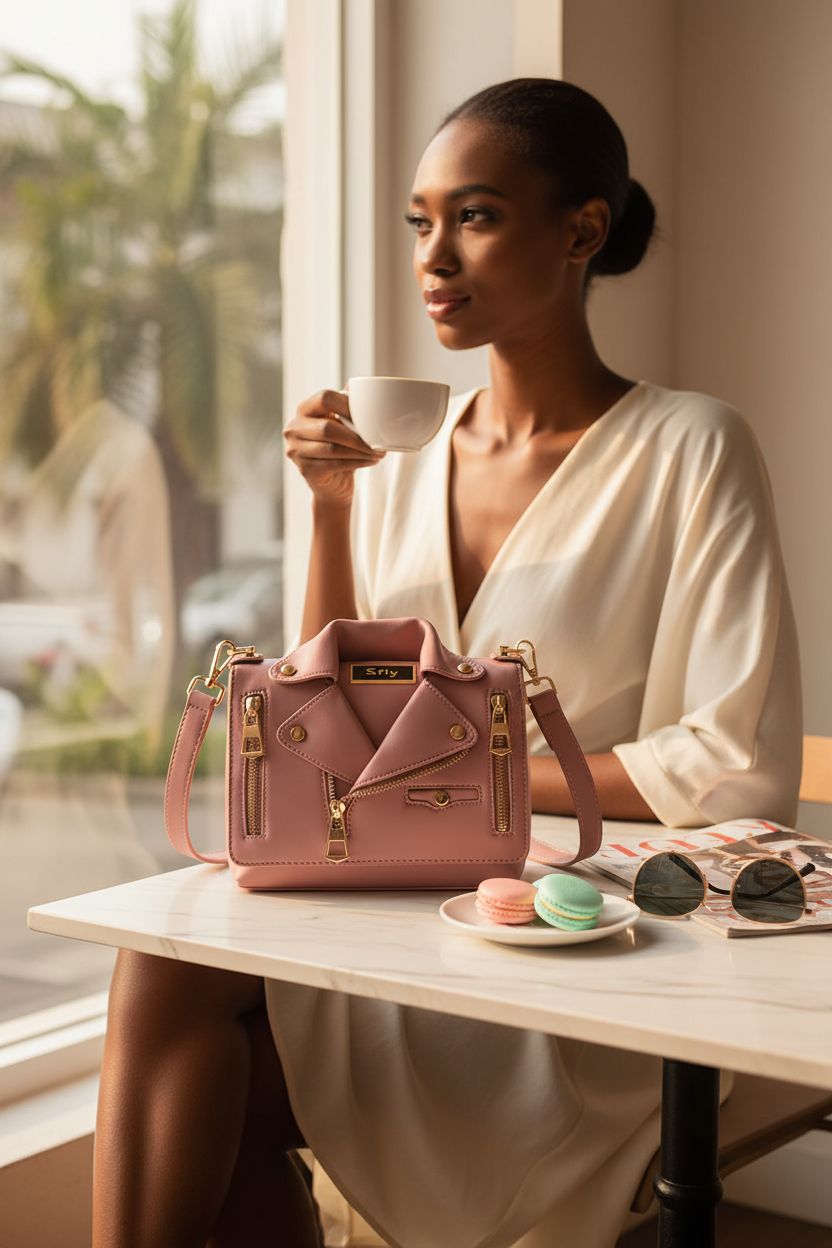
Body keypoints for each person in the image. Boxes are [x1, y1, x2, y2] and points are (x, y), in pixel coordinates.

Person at [92, 79, 802, 1248]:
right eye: (421, 222)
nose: (435, 257)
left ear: (582, 229)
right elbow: (326, 716)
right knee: (164, 966)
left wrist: (476, 785)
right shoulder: (407, 453)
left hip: (574, 934)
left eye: (475, 216)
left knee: (209, 1084)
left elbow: (731, 767)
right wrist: (328, 508)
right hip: (389, 904)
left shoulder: (692, 446)